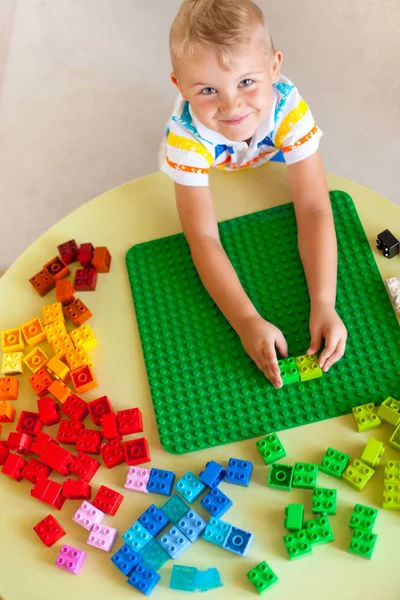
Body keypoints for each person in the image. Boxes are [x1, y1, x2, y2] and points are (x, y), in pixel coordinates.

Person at [160, 0, 347, 389]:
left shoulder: (289, 109)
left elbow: (313, 206)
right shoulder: (185, 138)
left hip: (272, 144)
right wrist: (245, 320)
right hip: (214, 157)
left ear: (275, 68)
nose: (232, 106)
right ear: (180, 86)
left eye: (247, 81)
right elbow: (203, 237)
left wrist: (324, 303)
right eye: (208, 89)